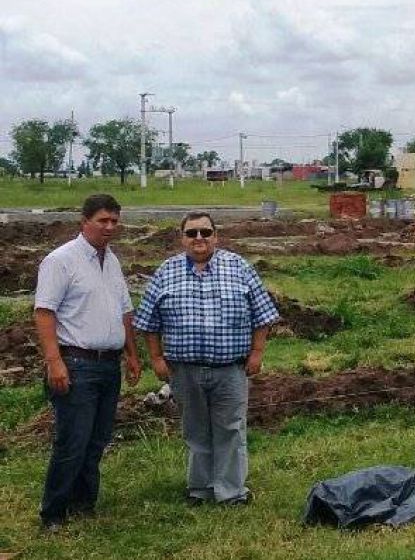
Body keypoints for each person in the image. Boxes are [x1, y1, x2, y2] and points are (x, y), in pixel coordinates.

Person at [134, 211, 279, 506]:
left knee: (231, 430)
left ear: (216, 236)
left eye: (205, 232)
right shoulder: (166, 272)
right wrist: (156, 357)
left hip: (230, 369)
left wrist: (257, 353)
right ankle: (199, 489)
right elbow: (148, 322)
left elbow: (263, 315)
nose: (198, 238)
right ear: (181, 239)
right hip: (185, 371)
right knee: (195, 431)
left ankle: (230, 492)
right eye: (191, 233)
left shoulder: (239, 267)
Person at [34, 194, 142, 531]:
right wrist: (54, 361)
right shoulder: (60, 260)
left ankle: (84, 503)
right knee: (73, 441)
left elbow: (124, 311)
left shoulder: (111, 261)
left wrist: (132, 354)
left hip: (108, 365)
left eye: (114, 221)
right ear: (85, 222)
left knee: (97, 439)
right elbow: (44, 312)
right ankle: (54, 512)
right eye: (102, 221)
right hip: (76, 362)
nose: (109, 227)